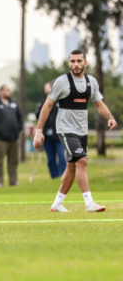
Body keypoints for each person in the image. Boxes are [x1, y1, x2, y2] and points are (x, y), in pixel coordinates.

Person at [34, 50, 116, 213]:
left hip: (81, 131)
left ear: (85, 63)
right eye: (72, 61)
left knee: (72, 166)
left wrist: (110, 117)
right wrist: (38, 130)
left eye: (79, 61)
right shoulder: (61, 82)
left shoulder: (91, 82)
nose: (76, 64)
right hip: (65, 129)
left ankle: (57, 203)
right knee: (82, 161)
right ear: (69, 63)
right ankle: (89, 203)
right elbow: (47, 106)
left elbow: (99, 104)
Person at [0, 85, 23, 187]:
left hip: (13, 138)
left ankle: (13, 181)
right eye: (8, 90)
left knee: (13, 161)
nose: (10, 92)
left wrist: (18, 129)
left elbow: (20, 117)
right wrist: (0, 130)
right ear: (1, 91)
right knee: (0, 161)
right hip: (0, 139)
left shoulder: (14, 102)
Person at [35, 82, 66, 179]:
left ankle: (64, 176)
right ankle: (54, 177)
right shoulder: (43, 102)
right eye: (46, 89)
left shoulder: (60, 101)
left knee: (61, 156)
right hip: (47, 137)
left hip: (59, 135)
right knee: (51, 158)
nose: (47, 90)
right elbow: (37, 115)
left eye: (49, 88)